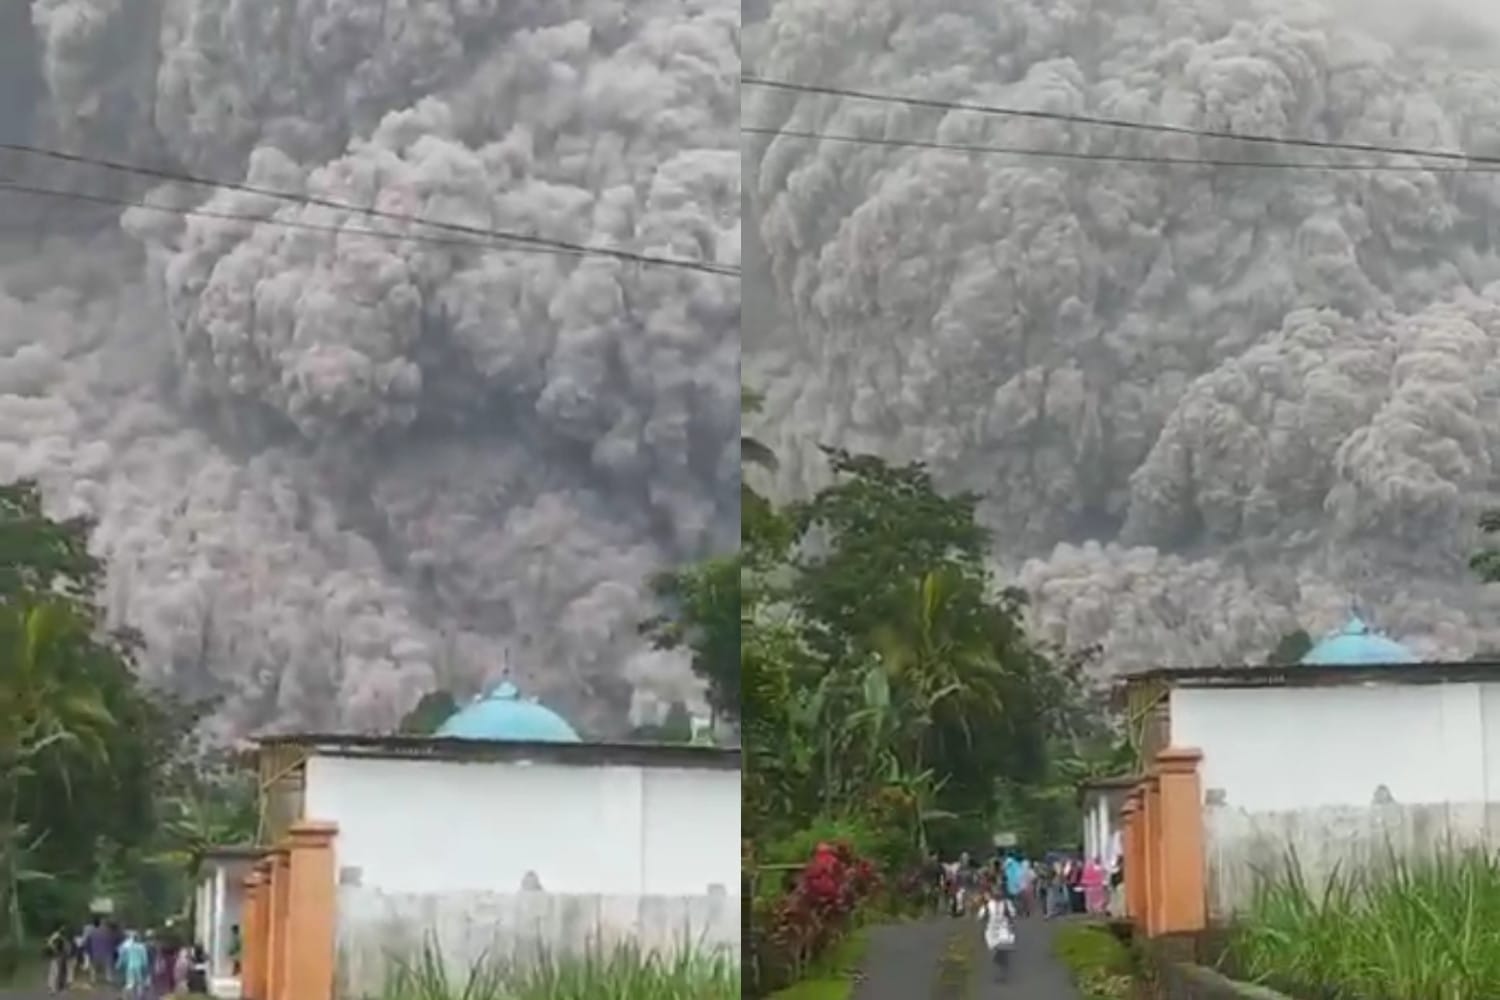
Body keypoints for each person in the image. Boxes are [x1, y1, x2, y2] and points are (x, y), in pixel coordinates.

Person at [977, 884, 1018, 979]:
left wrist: (1011, 924)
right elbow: (981, 916)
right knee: (994, 951)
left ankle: (1003, 970)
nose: (997, 896)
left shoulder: (1006, 903)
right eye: (996, 894)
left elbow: (1013, 914)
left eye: (999, 894)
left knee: (1003, 948)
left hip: (1003, 929)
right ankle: (1001, 966)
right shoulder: (988, 905)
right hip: (992, 931)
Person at [117, 929, 150, 1000]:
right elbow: (144, 959)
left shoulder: (129, 947)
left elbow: (124, 958)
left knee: (130, 983)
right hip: (139, 967)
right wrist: (146, 968)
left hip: (130, 966)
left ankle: (125, 996)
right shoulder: (142, 947)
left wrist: (120, 965)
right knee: (139, 983)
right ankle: (139, 997)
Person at [44, 924, 70, 994]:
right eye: (63, 927)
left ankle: (55, 987)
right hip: (57, 956)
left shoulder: (61, 936)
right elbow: (49, 943)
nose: (64, 928)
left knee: (58, 971)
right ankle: (52, 988)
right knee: (55, 972)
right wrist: (54, 950)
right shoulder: (57, 936)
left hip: (59, 956)